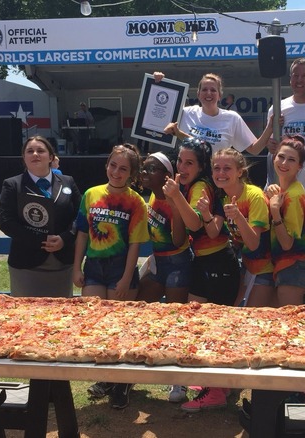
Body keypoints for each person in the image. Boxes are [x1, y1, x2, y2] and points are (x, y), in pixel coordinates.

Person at [162, 138, 240, 412]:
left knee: (211, 329)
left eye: (189, 162)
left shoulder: (197, 186)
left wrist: (175, 197)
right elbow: (179, 236)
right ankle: (217, 384)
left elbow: (196, 223)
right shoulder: (187, 186)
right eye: (180, 161)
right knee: (199, 326)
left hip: (218, 264)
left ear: (201, 166)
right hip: (206, 264)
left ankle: (216, 391)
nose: (182, 167)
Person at [74, 143, 148, 410]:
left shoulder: (136, 201)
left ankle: (122, 384)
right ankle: (106, 378)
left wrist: (127, 277)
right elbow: (82, 233)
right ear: (107, 165)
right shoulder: (91, 194)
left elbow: (135, 244)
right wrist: (76, 266)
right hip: (94, 266)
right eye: (113, 165)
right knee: (96, 326)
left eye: (123, 169)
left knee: (121, 328)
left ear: (132, 173)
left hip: (120, 267)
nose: (116, 172)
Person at [137, 150, 193, 404]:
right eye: (144, 168)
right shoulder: (150, 195)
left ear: (167, 176)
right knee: (136, 308)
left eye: (151, 169)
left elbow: (179, 240)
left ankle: (178, 382)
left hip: (178, 263)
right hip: (158, 261)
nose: (145, 173)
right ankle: (126, 376)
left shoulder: (174, 199)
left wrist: (175, 206)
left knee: (176, 322)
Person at [0, 135, 81, 298]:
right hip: (26, 264)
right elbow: (6, 222)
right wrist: (40, 240)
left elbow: (80, 215)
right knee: (27, 318)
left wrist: (65, 238)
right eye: (30, 151)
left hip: (62, 261)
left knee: (62, 316)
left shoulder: (68, 182)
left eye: (40, 151)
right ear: (24, 158)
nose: (35, 154)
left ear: (51, 157)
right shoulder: (12, 185)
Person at [210, 148, 274, 308]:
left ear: (240, 172)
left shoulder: (255, 196)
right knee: (231, 313)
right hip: (246, 267)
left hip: (266, 269)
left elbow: (253, 244)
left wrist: (238, 217)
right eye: (216, 168)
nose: (221, 173)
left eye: (227, 168)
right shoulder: (224, 198)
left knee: (251, 322)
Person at [259, 58, 305, 189]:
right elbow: (272, 146)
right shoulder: (277, 108)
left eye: (304, 75)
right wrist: (270, 145)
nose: (299, 80)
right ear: (290, 79)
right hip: (285, 189)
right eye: (295, 75)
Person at [154, 72, 268, 155]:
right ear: (198, 94)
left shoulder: (232, 118)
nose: (209, 93)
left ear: (220, 96)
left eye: (213, 90)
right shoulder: (185, 113)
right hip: (188, 179)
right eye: (204, 90)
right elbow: (157, 109)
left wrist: (271, 126)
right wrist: (159, 82)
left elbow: (254, 149)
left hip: (218, 178)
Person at [266, 136, 305, 306]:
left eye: (291, 160)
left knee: (289, 324)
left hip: (293, 265)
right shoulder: (284, 190)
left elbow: (287, 243)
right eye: (281, 157)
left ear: (299, 166)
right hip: (283, 265)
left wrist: (275, 212)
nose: (284, 163)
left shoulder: (293, 195)